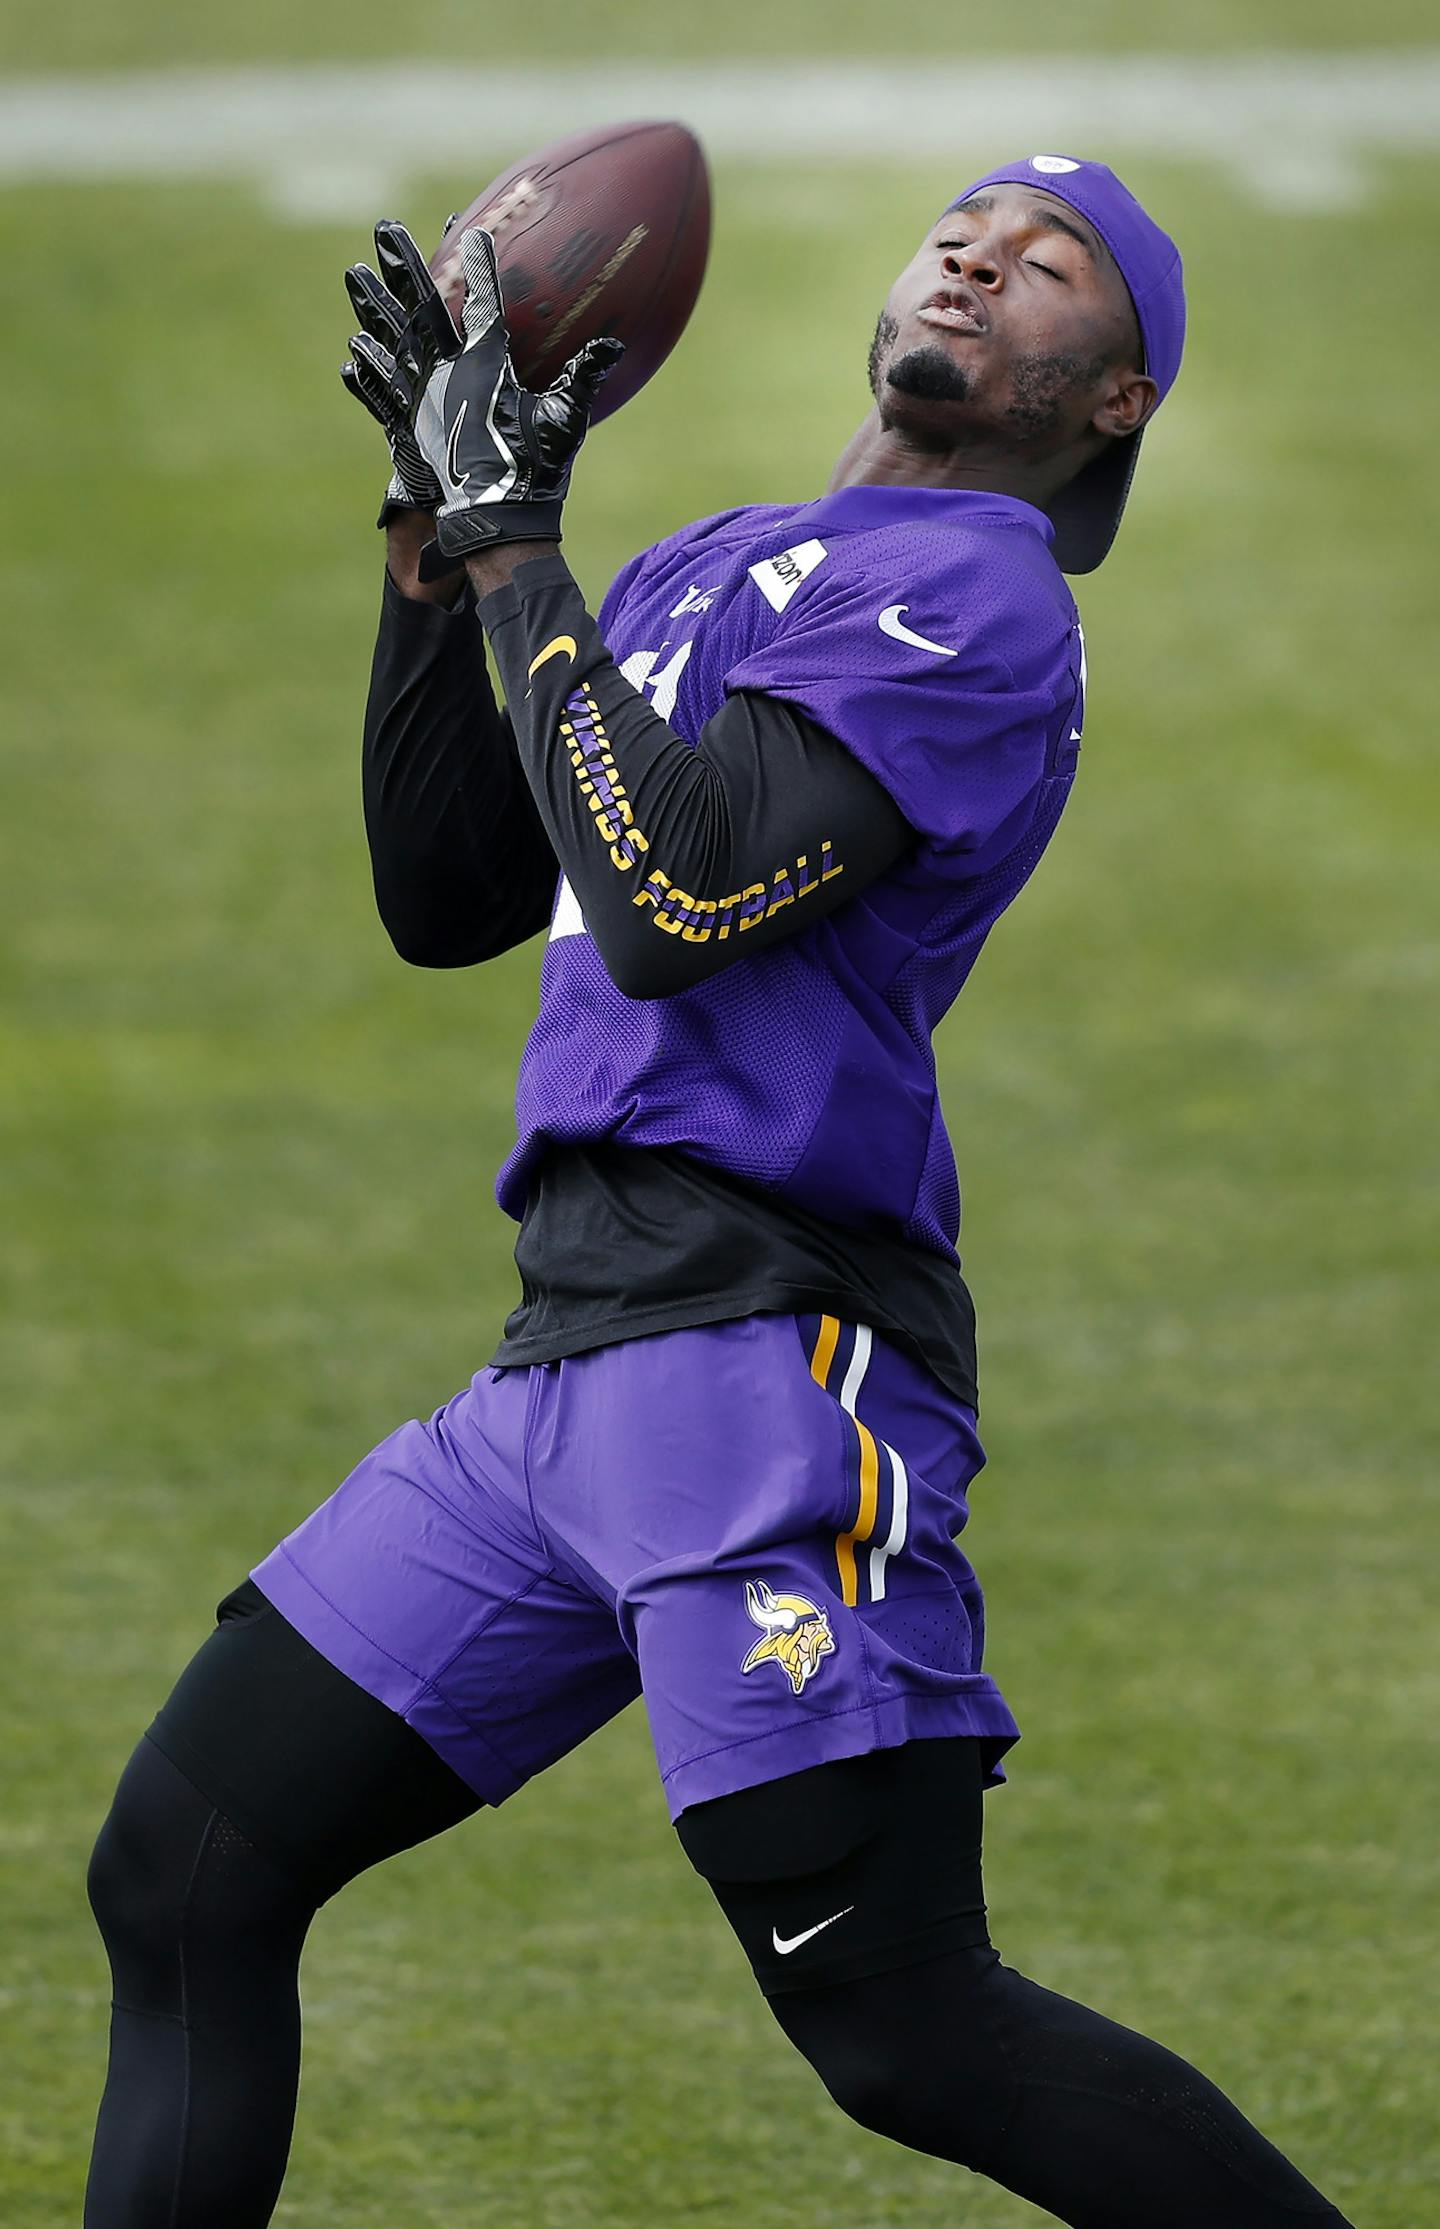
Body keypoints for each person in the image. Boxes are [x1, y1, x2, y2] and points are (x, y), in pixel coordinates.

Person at [85, 155, 1357, 2227]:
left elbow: (674, 895)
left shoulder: (979, 593)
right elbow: (449, 889)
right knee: (190, 1861)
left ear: (1109, 403)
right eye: (964, 231)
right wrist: (433, 537)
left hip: (760, 1365)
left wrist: (516, 543)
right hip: (560, 1367)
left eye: (1053, 273)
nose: (980, 259)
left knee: (904, 2019)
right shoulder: (700, 568)